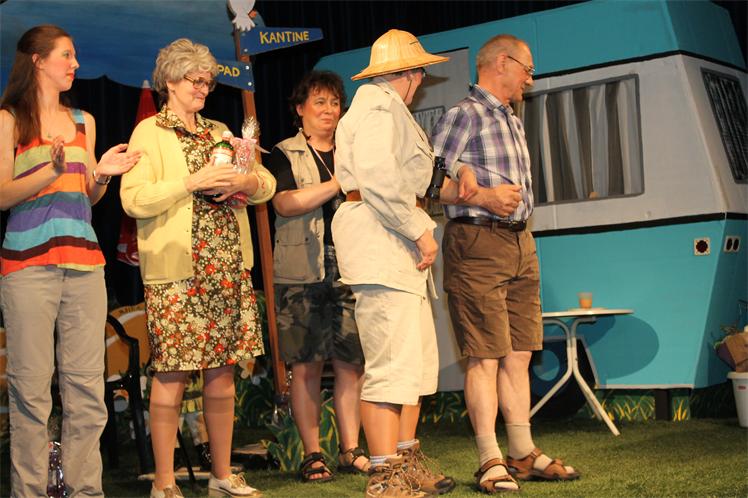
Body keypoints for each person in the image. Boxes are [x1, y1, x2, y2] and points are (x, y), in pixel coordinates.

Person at [120, 38, 276, 498]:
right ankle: (165, 483)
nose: (204, 89)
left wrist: (245, 180)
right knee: (171, 374)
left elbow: (265, 183)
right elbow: (133, 199)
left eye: (208, 82)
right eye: (196, 80)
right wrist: (192, 182)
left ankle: (221, 477)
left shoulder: (220, 131)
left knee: (222, 375)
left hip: (227, 266)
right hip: (177, 274)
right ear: (170, 80)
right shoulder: (149, 132)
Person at [431, 34, 580, 493]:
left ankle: (521, 452)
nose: (529, 79)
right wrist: (482, 195)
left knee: (519, 352)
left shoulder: (511, 118)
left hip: (520, 242)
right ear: (502, 62)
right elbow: (427, 181)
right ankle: (489, 460)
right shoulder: (464, 114)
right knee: (485, 355)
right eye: (527, 69)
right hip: (477, 242)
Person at [0, 24, 140, 497]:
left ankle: (85, 491)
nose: (75, 64)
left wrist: (101, 175)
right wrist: (50, 170)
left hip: (84, 265)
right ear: (37, 60)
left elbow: (88, 196)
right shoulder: (9, 120)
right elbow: (2, 195)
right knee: (31, 390)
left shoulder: (84, 121)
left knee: (86, 389)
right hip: (27, 267)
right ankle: (29, 491)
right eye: (66, 55)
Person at [332, 29, 456, 498]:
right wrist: (419, 228)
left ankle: (404, 459)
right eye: (419, 70)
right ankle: (385, 476)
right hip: (382, 239)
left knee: (413, 363)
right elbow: (380, 180)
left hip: (394, 242)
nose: (421, 78)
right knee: (389, 364)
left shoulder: (388, 109)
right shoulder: (378, 109)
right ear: (407, 72)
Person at [266, 70, 369, 482]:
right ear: (300, 109)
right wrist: (339, 183)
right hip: (300, 271)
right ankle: (313, 454)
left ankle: (350, 449)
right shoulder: (284, 152)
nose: (329, 110)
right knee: (306, 364)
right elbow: (286, 203)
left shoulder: (353, 149)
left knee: (351, 361)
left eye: (334, 102)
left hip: (352, 264)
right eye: (319, 102)